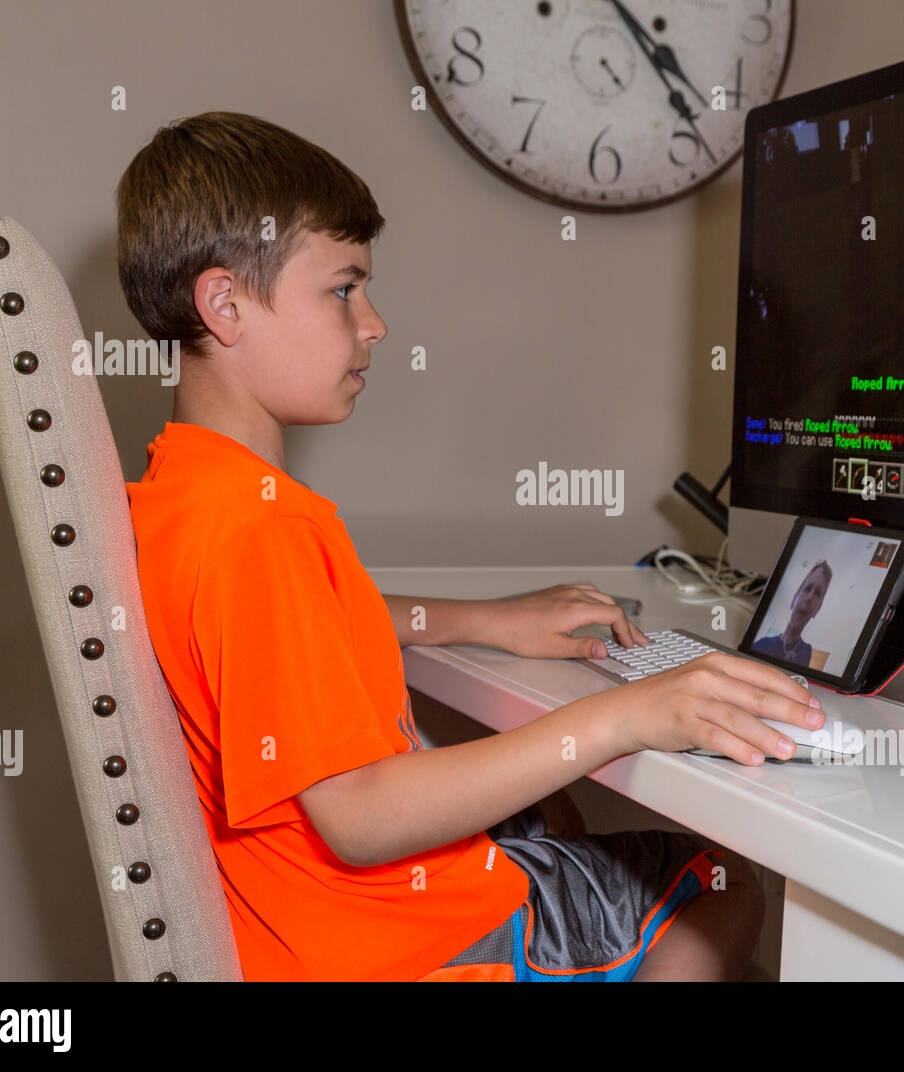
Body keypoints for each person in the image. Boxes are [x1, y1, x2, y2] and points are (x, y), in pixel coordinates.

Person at [119, 112, 825, 982]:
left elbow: (291, 637)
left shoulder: (175, 494)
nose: (373, 323)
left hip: (285, 919)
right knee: (717, 881)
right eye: (344, 289)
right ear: (224, 305)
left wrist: (483, 619)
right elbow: (359, 814)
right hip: (384, 941)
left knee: (554, 815)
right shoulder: (268, 528)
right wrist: (628, 714)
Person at [751, 562, 833, 668]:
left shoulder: (806, 651)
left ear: (817, 609)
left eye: (817, 593)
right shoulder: (761, 645)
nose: (809, 598)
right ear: (794, 600)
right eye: (807, 589)